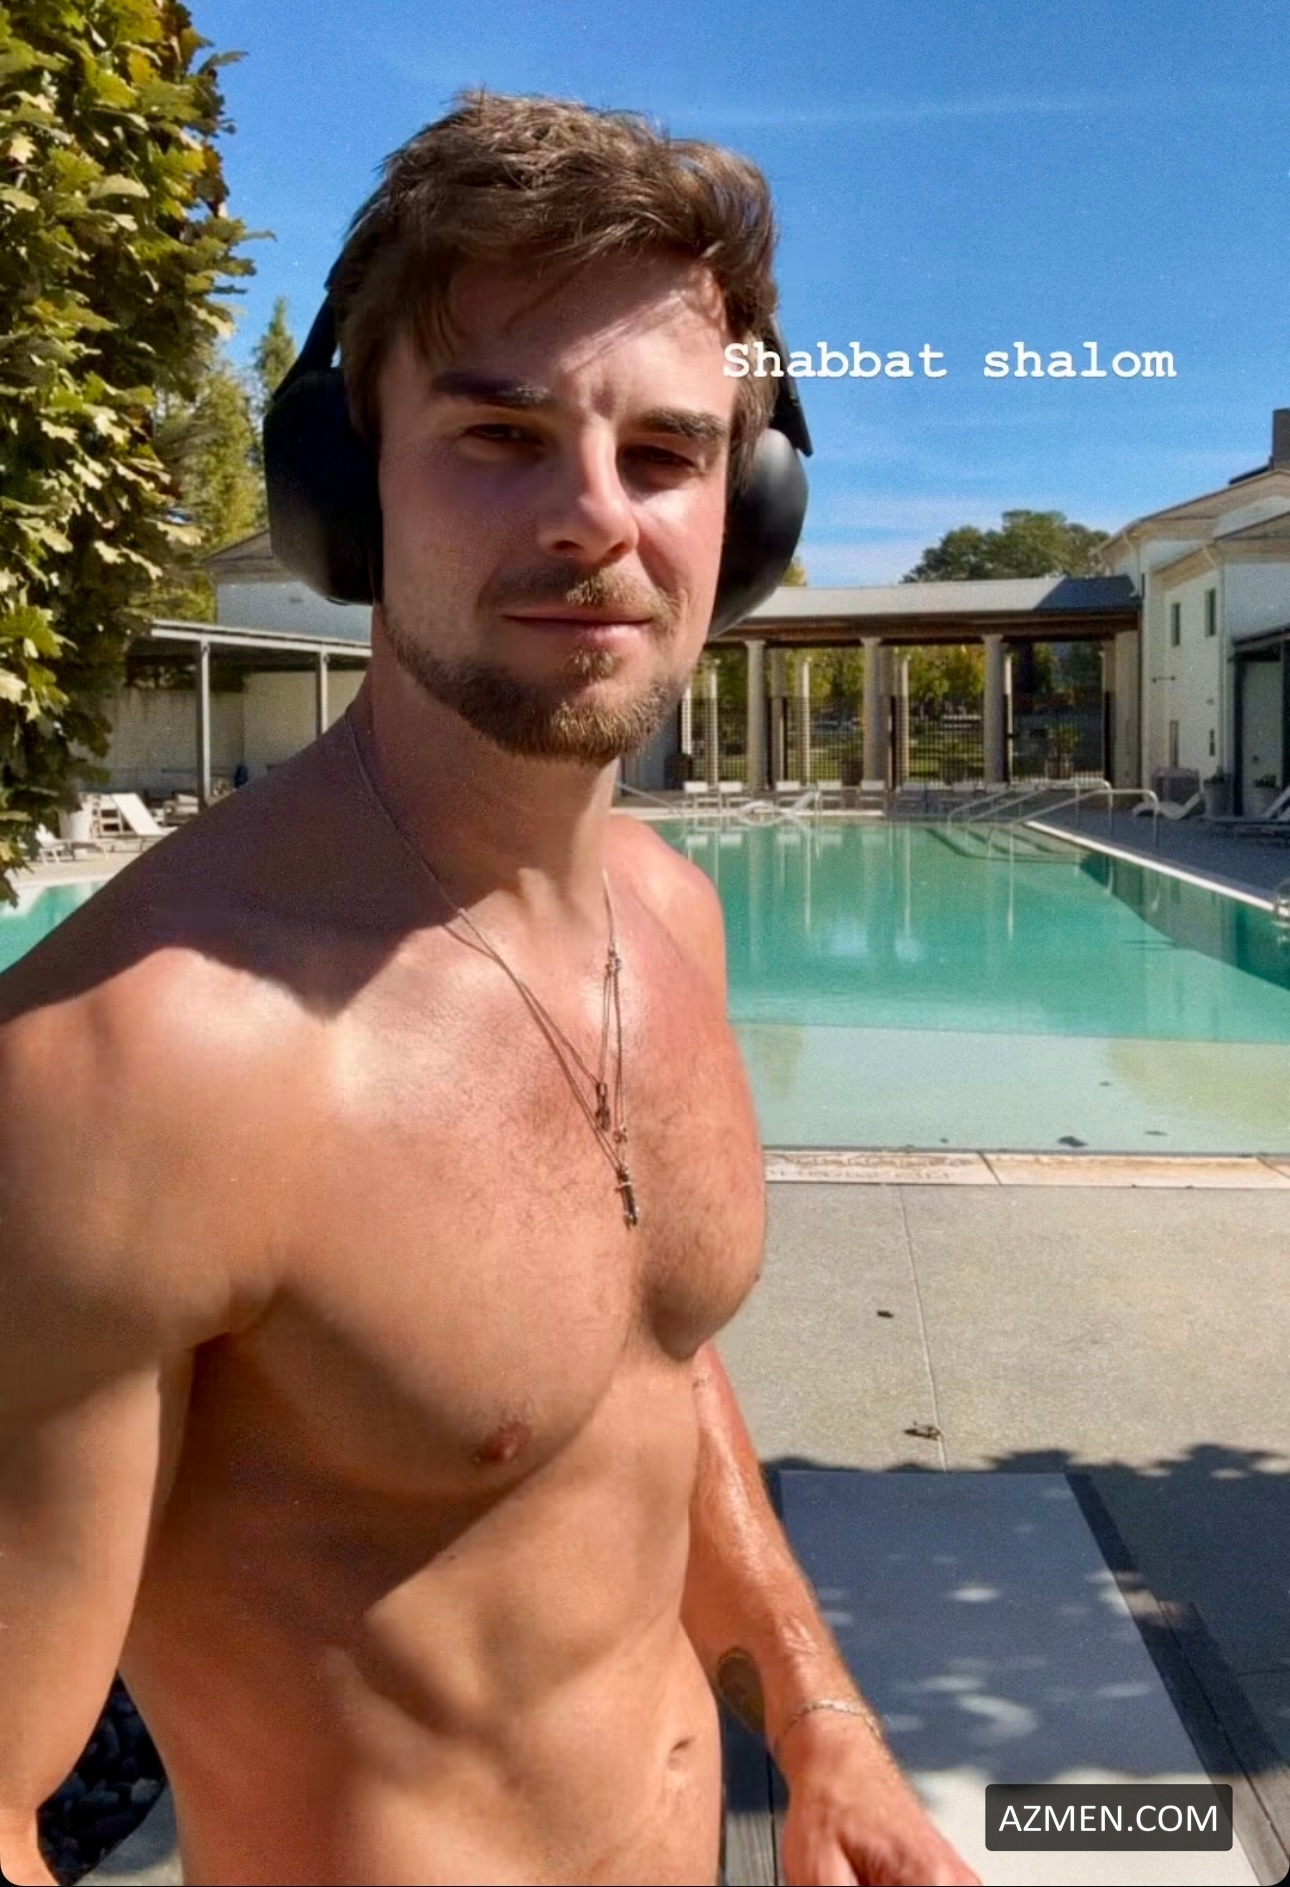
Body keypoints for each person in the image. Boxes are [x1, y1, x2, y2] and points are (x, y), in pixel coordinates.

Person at [0, 93, 978, 1887]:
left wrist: (818, 1720)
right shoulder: (135, 1066)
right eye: (500, 434)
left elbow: (644, 1372)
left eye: (669, 453)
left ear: (749, 515)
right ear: (345, 491)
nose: (596, 517)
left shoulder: (671, 919)